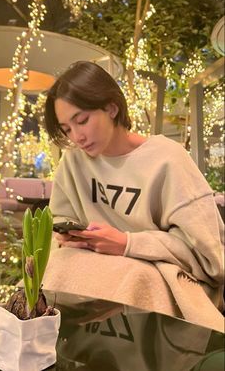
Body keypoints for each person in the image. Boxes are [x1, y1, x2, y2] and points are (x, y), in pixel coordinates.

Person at [44, 61, 224, 308]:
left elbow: (209, 257)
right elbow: (59, 221)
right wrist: (68, 237)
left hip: (154, 273)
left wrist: (127, 244)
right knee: (51, 277)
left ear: (111, 108)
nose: (77, 136)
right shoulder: (73, 162)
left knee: (131, 281)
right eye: (67, 129)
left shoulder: (168, 159)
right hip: (92, 269)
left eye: (82, 120)